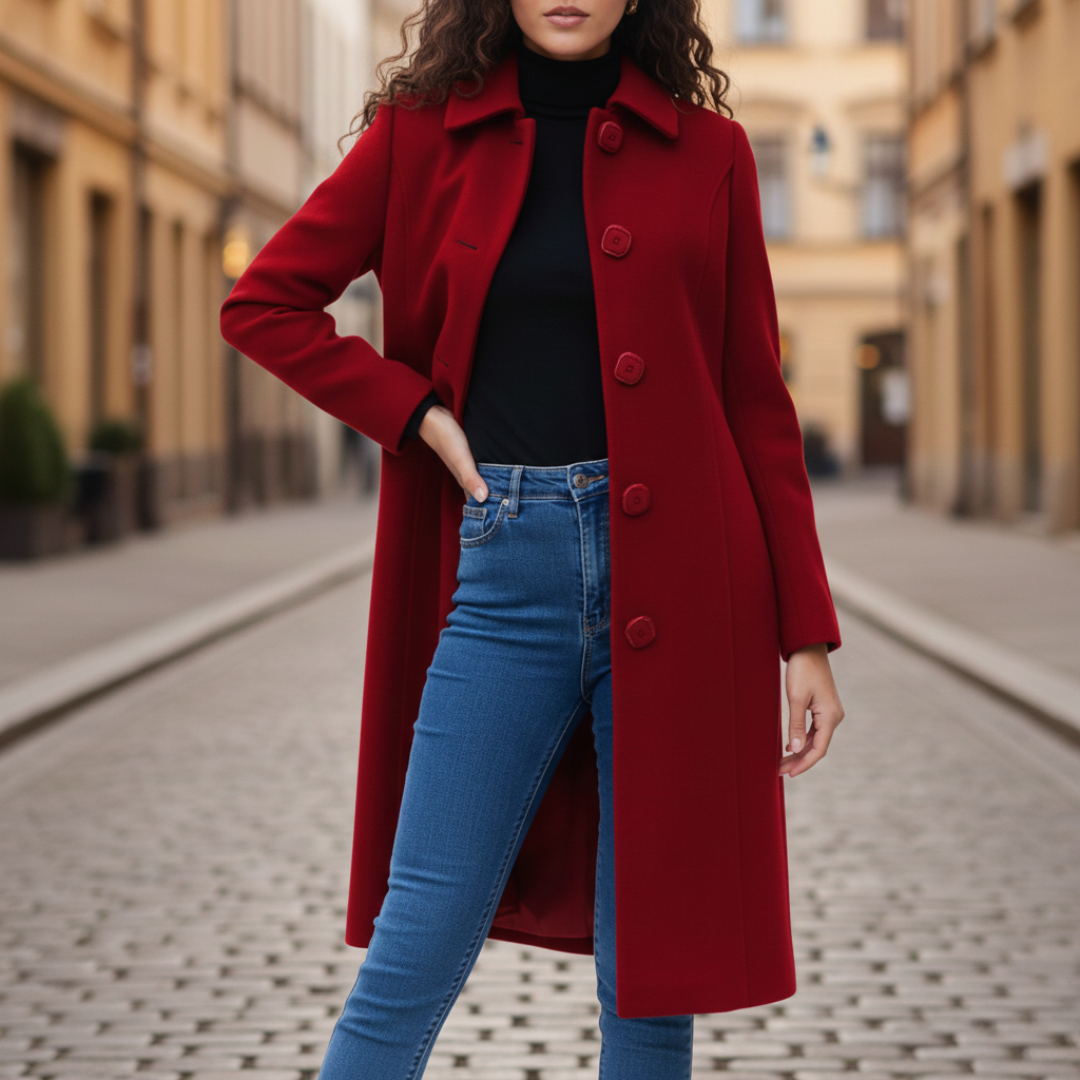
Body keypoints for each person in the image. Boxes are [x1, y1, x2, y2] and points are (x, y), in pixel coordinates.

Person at [220, 0, 846, 1075]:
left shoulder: (714, 155)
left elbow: (755, 403)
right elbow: (265, 305)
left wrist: (806, 635)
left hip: (691, 586)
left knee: (652, 975)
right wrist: (417, 414)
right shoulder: (420, 137)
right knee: (417, 939)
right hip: (506, 569)